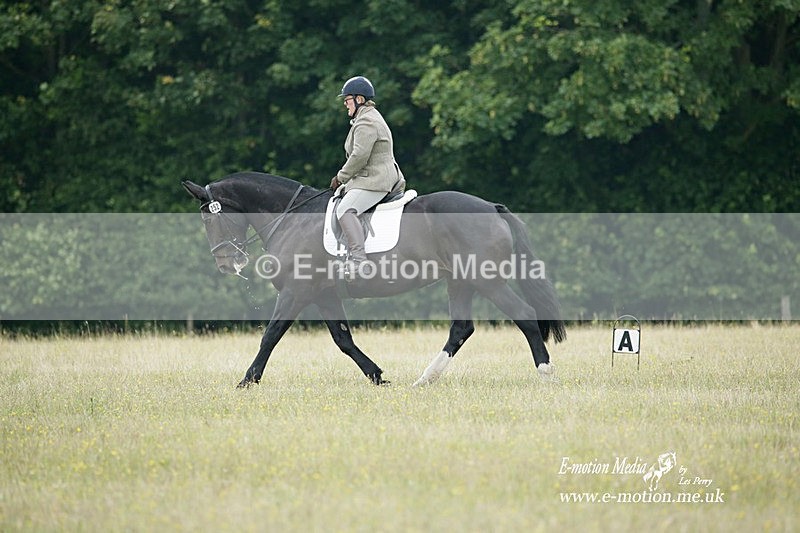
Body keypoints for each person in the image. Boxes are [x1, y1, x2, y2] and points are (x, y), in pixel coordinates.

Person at [330, 75, 405, 276]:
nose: (346, 105)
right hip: (370, 177)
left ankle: (358, 260)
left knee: (345, 210)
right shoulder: (367, 117)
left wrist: (341, 177)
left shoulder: (367, 121)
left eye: (347, 100)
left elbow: (360, 155)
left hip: (377, 179)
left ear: (359, 99)